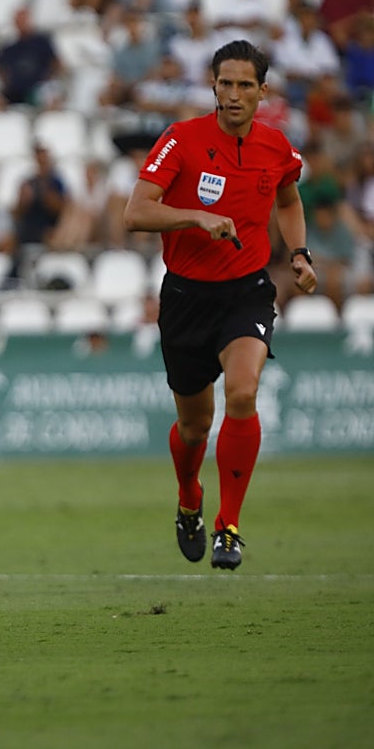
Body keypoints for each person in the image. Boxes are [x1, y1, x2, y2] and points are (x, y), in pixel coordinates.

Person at [123, 40, 317, 571]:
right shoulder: (181, 139)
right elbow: (135, 213)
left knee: (244, 392)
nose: (233, 94)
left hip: (246, 291)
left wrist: (299, 253)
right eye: (225, 83)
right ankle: (190, 498)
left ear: (263, 91)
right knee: (194, 428)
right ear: (212, 85)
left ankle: (229, 526)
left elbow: (288, 199)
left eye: (244, 85)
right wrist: (195, 216)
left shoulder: (277, 147)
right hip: (186, 297)